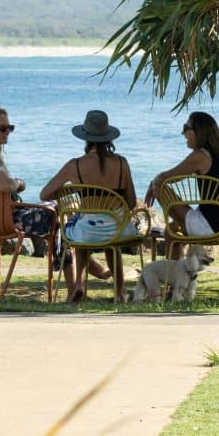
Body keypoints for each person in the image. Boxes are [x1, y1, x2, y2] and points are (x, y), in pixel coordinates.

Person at [42, 110, 138, 304]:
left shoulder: (75, 165)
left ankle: (79, 285)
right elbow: (132, 202)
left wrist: (72, 190)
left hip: (88, 230)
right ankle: (120, 291)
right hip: (117, 229)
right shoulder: (121, 162)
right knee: (111, 242)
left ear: (86, 137)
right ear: (108, 136)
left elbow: (45, 194)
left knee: (81, 229)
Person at [144, 110, 219, 260]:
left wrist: (153, 183)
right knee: (170, 232)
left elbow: (166, 178)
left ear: (199, 131)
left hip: (212, 227)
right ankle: (175, 279)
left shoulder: (201, 155)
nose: (182, 133)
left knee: (159, 186)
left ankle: (183, 227)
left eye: (186, 128)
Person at [0, 106, 58, 249]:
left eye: (10, 128)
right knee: (57, 210)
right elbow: (5, 186)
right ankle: (72, 266)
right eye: (3, 128)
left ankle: (72, 264)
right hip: (5, 221)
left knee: (56, 211)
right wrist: (19, 183)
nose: (7, 133)